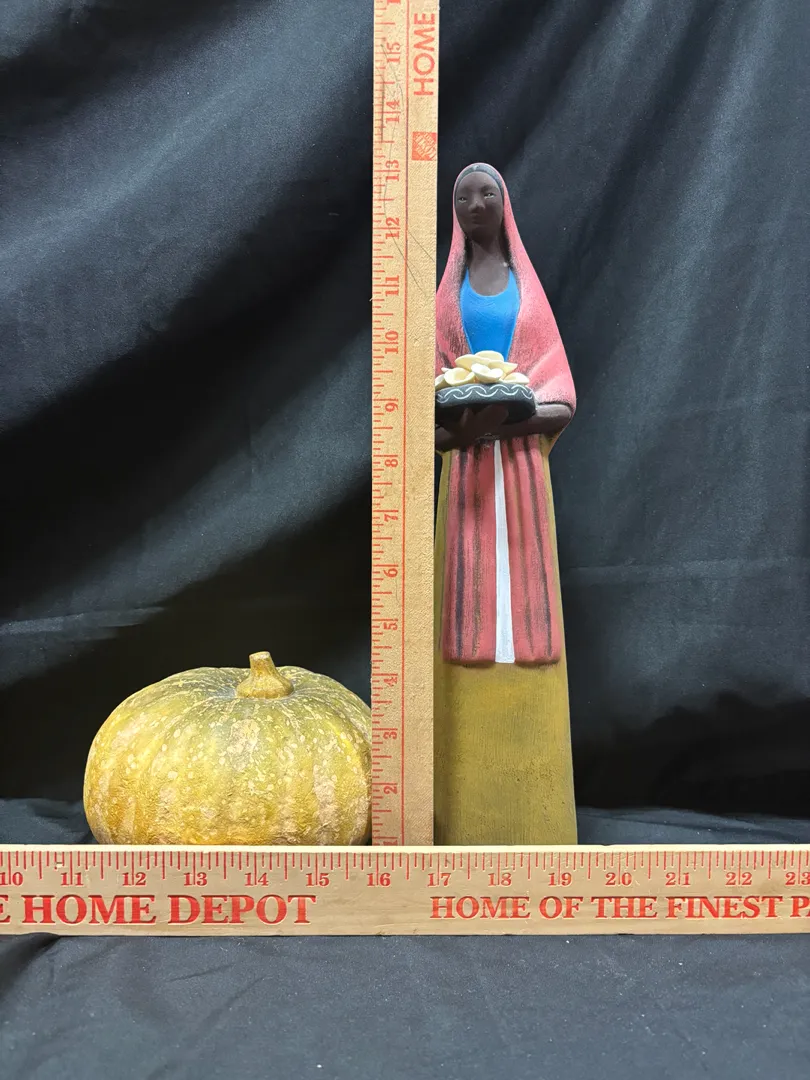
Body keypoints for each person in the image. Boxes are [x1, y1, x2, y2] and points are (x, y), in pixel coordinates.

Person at [433, 162, 578, 844]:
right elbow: (425, 411)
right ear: (453, 210)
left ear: (504, 204)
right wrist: (464, 428)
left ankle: (534, 810)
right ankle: (461, 809)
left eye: (486, 192)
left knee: (528, 622)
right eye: (463, 195)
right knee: (460, 615)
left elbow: (561, 396)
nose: (475, 203)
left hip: (521, 477)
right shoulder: (444, 303)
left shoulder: (529, 296)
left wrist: (502, 421)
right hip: (464, 478)